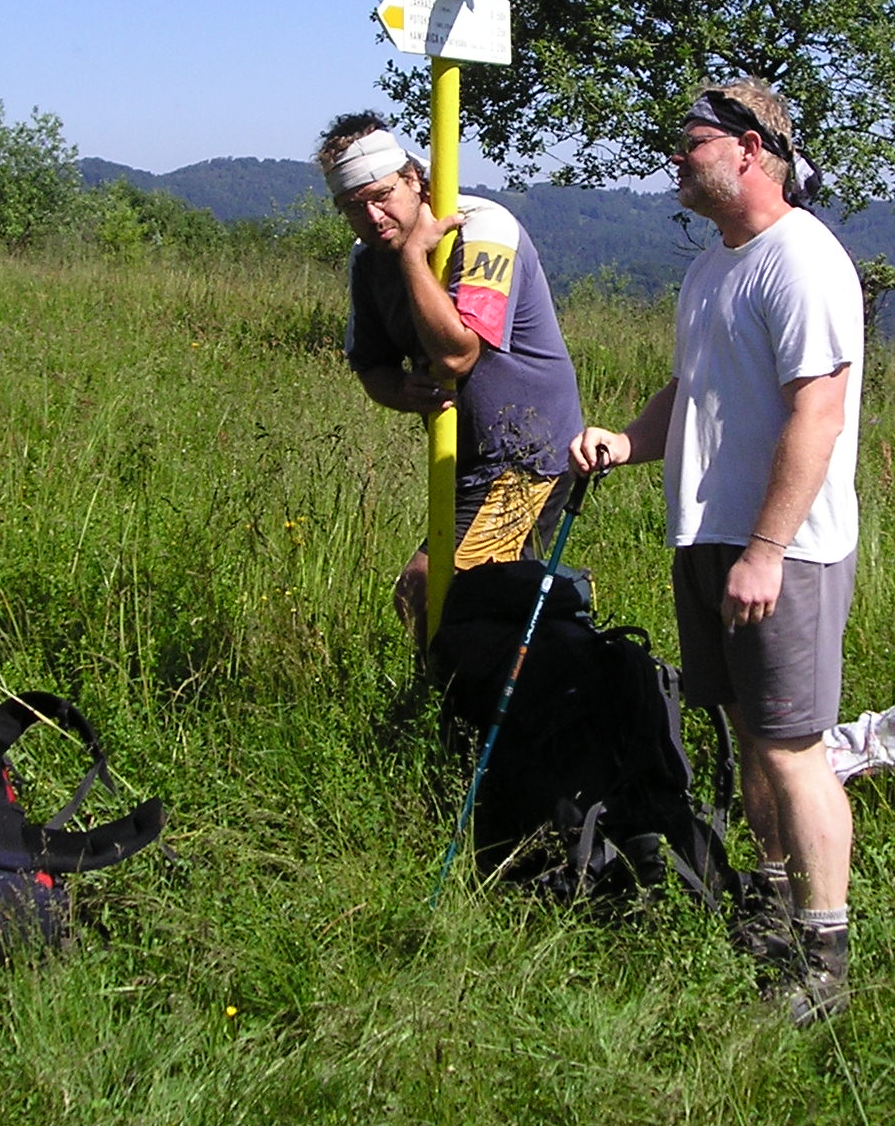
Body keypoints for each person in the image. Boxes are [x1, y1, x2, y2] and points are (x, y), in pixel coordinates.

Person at [570, 78, 863, 1026]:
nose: (676, 154)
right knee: (749, 736)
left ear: (749, 148)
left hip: (782, 550)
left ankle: (824, 958)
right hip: (710, 537)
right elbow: (690, 388)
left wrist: (768, 549)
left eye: (691, 139)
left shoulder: (803, 261)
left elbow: (819, 414)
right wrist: (626, 441)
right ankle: (770, 905)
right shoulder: (712, 268)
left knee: (795, 749)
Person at [315, 113, 584, 647]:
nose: (372, 216)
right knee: (474, 604)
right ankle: (480, 690)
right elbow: (371, 366)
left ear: (414, 179)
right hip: (463, 459)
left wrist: (416, 256)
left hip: (528, 452)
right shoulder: (367, 260)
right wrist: (399, 391)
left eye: (382, 196)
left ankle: (472, 693)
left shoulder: (484, 229)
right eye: (352, 207)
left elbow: (458, 354)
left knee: (431, 589)